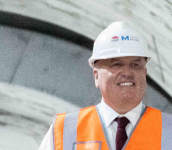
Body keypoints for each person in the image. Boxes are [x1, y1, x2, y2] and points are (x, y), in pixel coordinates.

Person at [38, 21, 172, 150]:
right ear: (96, 76)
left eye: (135, 65)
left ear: (145, 72)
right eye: (116, 64)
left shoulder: (169, 129)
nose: (127, 72)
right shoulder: (63, 132)